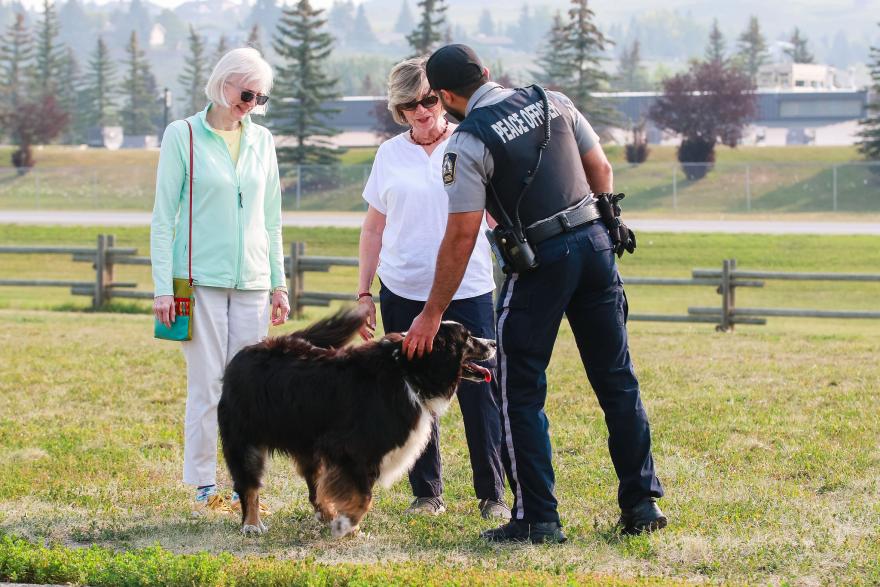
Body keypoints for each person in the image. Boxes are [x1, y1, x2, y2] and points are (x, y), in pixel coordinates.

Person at [402, 44, 666, 544]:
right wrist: (603, 226)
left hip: (541, 259)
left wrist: (432, 313)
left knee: (520, 390)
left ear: (445, 95)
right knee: (617, 380)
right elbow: (601, 170)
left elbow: (461, 236)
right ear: (488, 73)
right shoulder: (553, 100)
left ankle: (538, 519)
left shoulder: (468, 142)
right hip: (594, 243)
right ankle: (642, 503)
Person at [357, 56, 510, 520]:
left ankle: (493, 495)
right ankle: (427, 492)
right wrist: (364, 292)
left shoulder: (468, 142)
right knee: (414, 395)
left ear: (441, 98)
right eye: (410, 106)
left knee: (481, 393)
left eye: (428, 100)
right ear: (398, 111)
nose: (422, 112)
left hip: (467, 289)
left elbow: (495, 216)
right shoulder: (389, 155)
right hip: (402, 290)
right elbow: (373, 229)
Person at [151, 47, 289, 516]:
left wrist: (279, 283)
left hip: (252, 282)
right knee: (207, 384)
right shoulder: (183, 135)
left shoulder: (263, 142)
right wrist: (162, 288)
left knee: (249, 390)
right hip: (198, 281)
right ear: (222, 83)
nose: (251, 103)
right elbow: (162, 219)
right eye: (246, 92)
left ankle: (244, 484)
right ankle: (204, 483)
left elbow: (272, 220)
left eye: (260, 97)